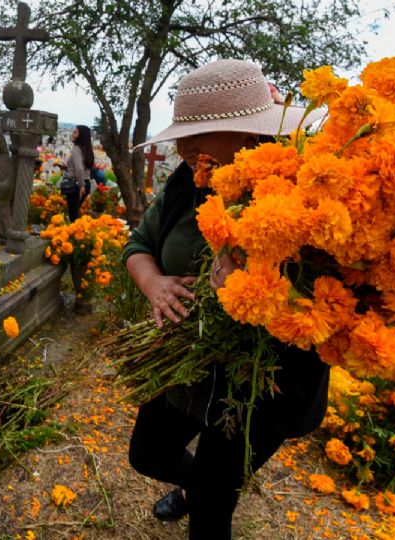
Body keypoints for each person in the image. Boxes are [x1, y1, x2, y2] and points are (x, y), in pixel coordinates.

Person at [122, 59, 329, 539]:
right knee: (147, 453)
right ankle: (201, 488)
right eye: (183, 135)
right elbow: (138, 245)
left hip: (262, 383)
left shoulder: (304, 194)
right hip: (188, 364)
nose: (182, 148)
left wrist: (256, 283)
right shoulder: (186, 184)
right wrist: (154, 282)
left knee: (213, 513)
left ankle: (209, 495)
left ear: (247, 134)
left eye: (200, 134)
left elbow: (327, 303)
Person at [62, 124, 94, 221]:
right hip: (86, 183)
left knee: (73, 214)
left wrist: (81, 185)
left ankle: (75, 234)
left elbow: (79, 169)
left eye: (75, 132)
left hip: (77, 185)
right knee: (76, 212)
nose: (72, 134)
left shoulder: (76, 149)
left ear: (81, 135)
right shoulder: (88, 150)